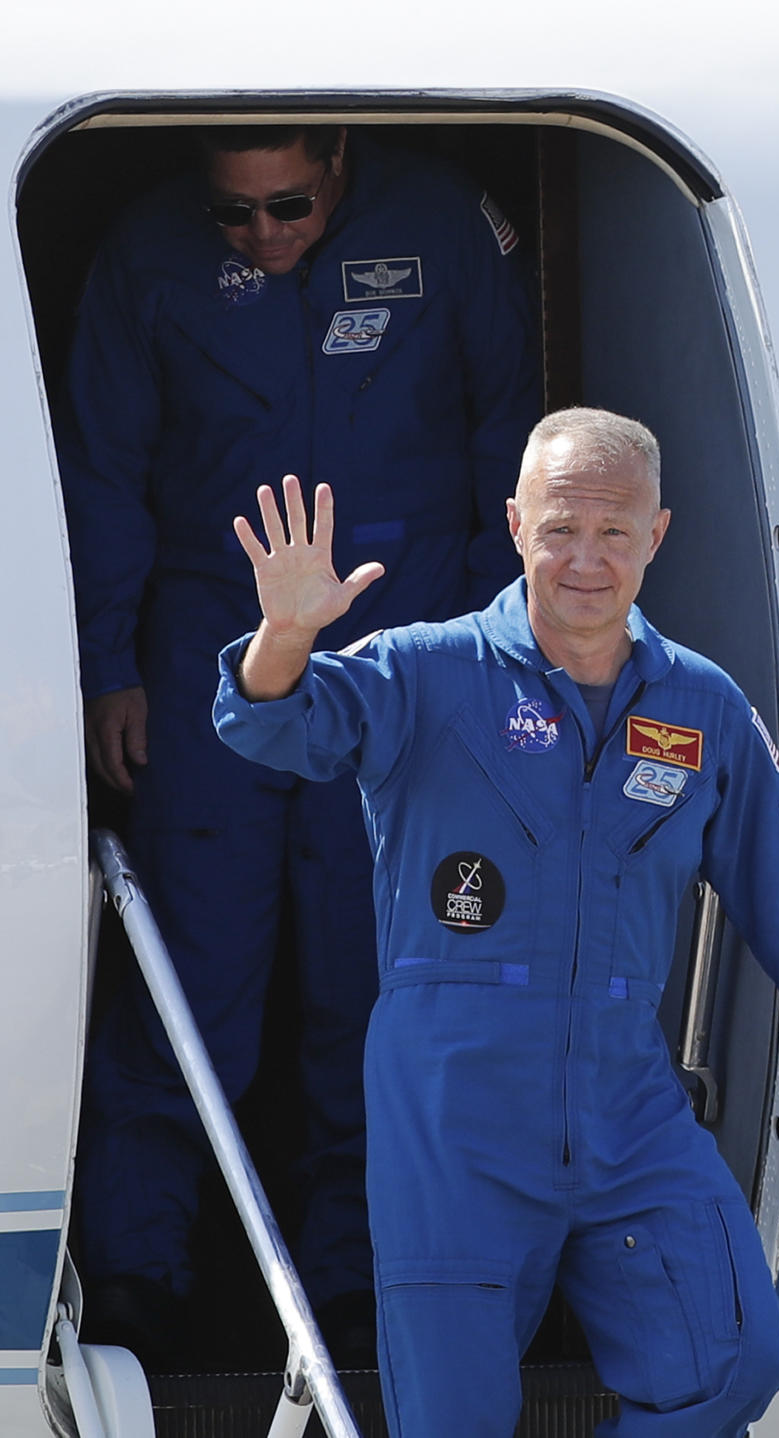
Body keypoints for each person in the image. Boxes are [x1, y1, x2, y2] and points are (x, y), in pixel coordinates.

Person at [213, 407, 779, 1435]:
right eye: (560, 529)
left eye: (614, 532)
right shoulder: (426, 672)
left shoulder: (700, 707)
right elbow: (277, 722)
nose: (586, 558)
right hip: (454, 1123)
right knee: (454, 1418)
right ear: (515, 525)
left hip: (627, 1107)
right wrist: (287, 634)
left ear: (656, 535)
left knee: (731, 1359)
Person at [56, 121, 538, 1361]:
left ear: (336, 161)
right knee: (190, 969)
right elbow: (101, 471)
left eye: (289, 207)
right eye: (234, 216)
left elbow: (514, 459)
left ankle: (359, 1278)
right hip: (205, 650)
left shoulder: (451, 227)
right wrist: (108, 664)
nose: (265, 235)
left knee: (369, 980)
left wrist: (500, 661)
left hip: (400, 655)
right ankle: (138, 1271)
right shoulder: (141, 259)